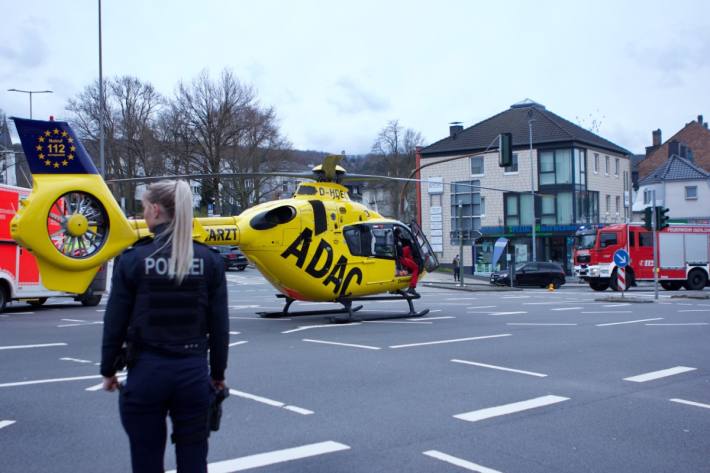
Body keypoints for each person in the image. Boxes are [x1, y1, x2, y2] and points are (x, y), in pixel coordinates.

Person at [101, 180, 229, 473]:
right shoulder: (209, 261)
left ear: (156, 210)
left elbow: (114, 323)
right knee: (194, 459)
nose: (143, 214)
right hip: (193, 372)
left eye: (144, 208)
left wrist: (108, 370)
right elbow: (220, 328)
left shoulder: (133, 259)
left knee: (146, 460)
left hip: (146, 372)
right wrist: (218, 375)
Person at [394, 228, 420, 295]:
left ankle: (409, 266)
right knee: (416, 268)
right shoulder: (398, 241)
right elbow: (400, 252)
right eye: (400, 234)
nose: (401, 235)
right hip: (400, 258)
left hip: (399, 257)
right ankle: (412, 287)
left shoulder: (394, 238)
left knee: (408, 248)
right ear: (398, 233)